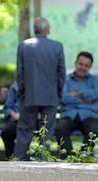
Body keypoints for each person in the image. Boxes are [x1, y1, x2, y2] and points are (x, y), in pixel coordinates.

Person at [14, 17, 66, 160]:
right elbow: (61, 73)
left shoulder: (24, 46)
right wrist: (58, 92)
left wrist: (21, 92)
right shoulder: (57, 46)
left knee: (25, 130)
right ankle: (43, 163)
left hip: (29, 96)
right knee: (47, 133)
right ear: (46, 30)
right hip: (50, 96)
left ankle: (18, 162)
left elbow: (20, 73)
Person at [54, 51, 98, 159]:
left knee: (93, 130)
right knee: (60, 129)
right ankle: (69, 158)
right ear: (75, 63)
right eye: (81, 64)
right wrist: (83, 100)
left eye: (86, 66)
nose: (83, 68)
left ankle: (83, 158)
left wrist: (77, 93)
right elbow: (63, 97)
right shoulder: (65, 80)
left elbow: (96, 94)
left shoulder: (95, 80)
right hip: (68, 114)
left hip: (89, 115)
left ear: (90, 67)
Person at [1, 82, 20, 159]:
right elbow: (8, 107)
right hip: (16, 118)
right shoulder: (14, 87)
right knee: (6, 132)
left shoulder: (37, 85)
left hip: (31, 119)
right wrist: (13, 114)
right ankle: (11, 158)